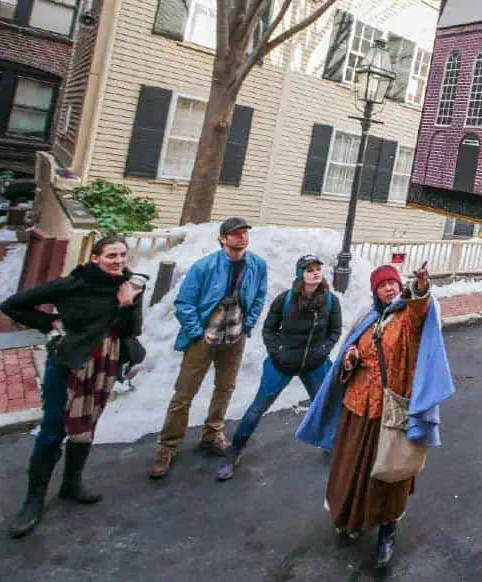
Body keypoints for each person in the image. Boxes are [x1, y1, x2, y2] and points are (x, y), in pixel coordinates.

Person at [297, 262, 454, 569]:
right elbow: (350, 353)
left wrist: (420, 289)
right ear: (375, 292)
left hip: (390, 411)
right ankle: (349, 520)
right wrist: (351, 358)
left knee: (388, 474)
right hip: (357, 408)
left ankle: (387, 534)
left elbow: (421, 311)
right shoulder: (367, 320)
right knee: (350, 469)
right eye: (382, 285)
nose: (388, 289)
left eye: (392, 284)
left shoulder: (407, 318)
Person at [0, 235, 144, 538]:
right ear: (94, 258)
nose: (118, 261)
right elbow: (12, 305)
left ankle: (71, 483)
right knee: (53, 428)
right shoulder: (72, 285)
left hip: (105, 364)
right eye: (110, 256)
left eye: (121, 255)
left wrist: (127, 305)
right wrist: (50, 322)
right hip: (69, 363)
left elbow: (132, 330)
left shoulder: (129, 286)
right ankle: (33, 499)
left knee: (86, 423)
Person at [148, 217, 267, 479]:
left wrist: (247, 325)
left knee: (225, 388)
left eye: (244, 233)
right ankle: (167, 446)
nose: (241, 237)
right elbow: (184, 303)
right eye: (235, 234)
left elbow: (259, 295)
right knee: (184, 394)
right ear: (223, 239)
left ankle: (212, 433)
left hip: (235, 338)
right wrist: (196, 333)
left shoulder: (257, 265)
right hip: (204, 338)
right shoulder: (204, 266)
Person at [215, 254, 342, 481]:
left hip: (314, 364)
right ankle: (235, 451)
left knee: (324, 406)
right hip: (282, 363)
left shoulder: (330, 301)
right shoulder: (285, 299)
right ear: (300, 274)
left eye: (318, 269)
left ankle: (330, 445)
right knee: (257, 407)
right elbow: (269, 330)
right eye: (309, 269)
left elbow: (335, 330)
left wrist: (323, 351)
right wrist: (277, 352)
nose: (315, 272)